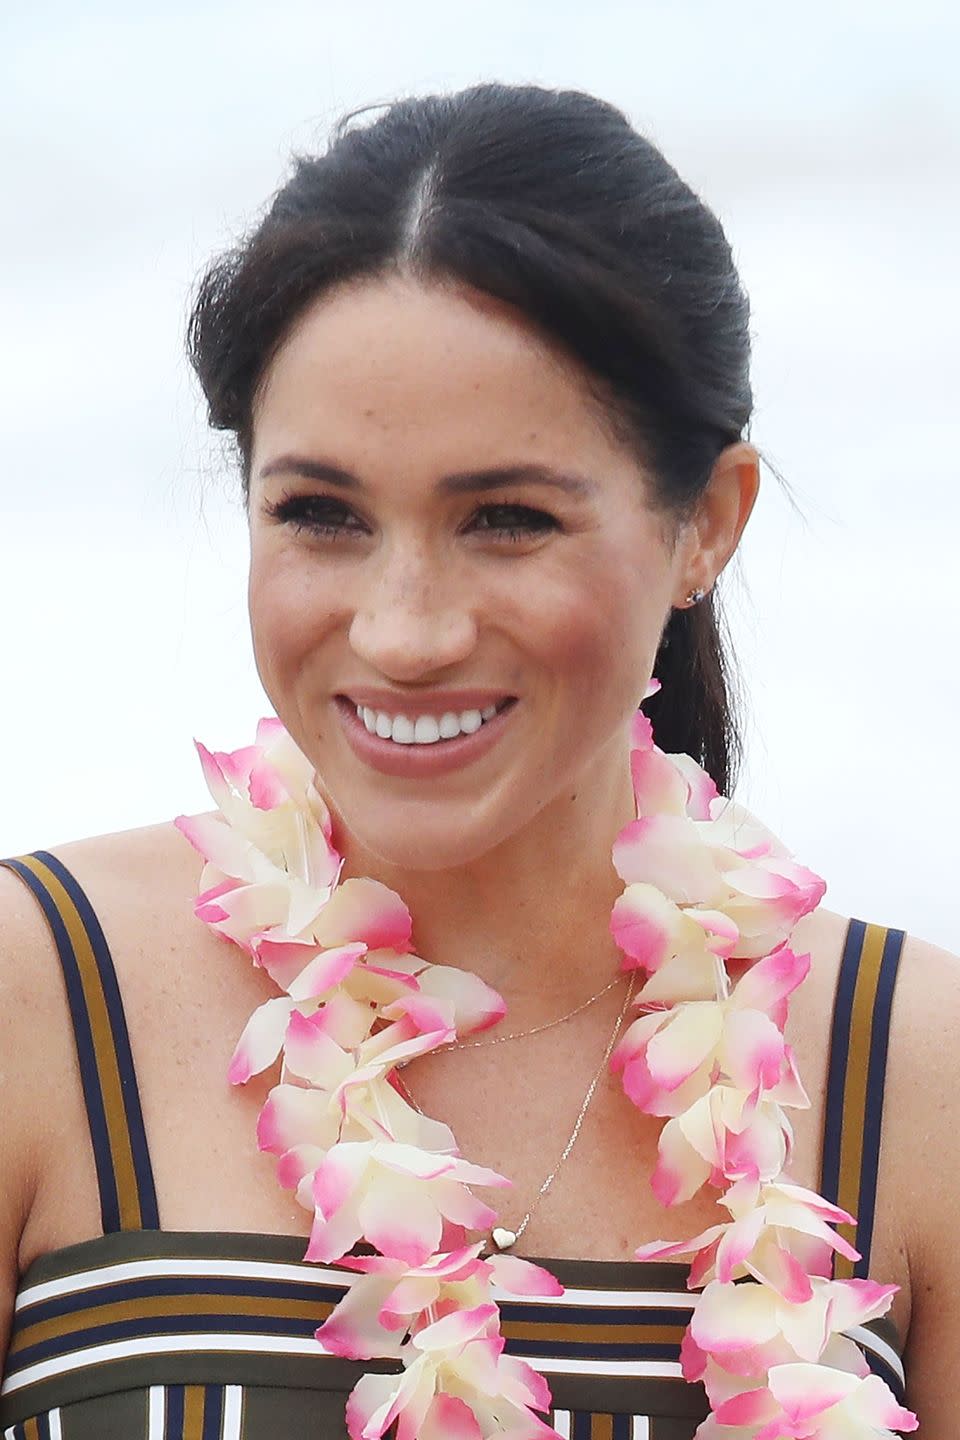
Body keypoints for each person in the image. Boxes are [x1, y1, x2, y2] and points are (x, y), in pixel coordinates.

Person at [0, 81, 954, 1438]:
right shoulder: (32, 1002)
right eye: (321, 514)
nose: (403, 631)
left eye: (507, 519)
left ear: (707, 526)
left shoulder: (914, 1075)